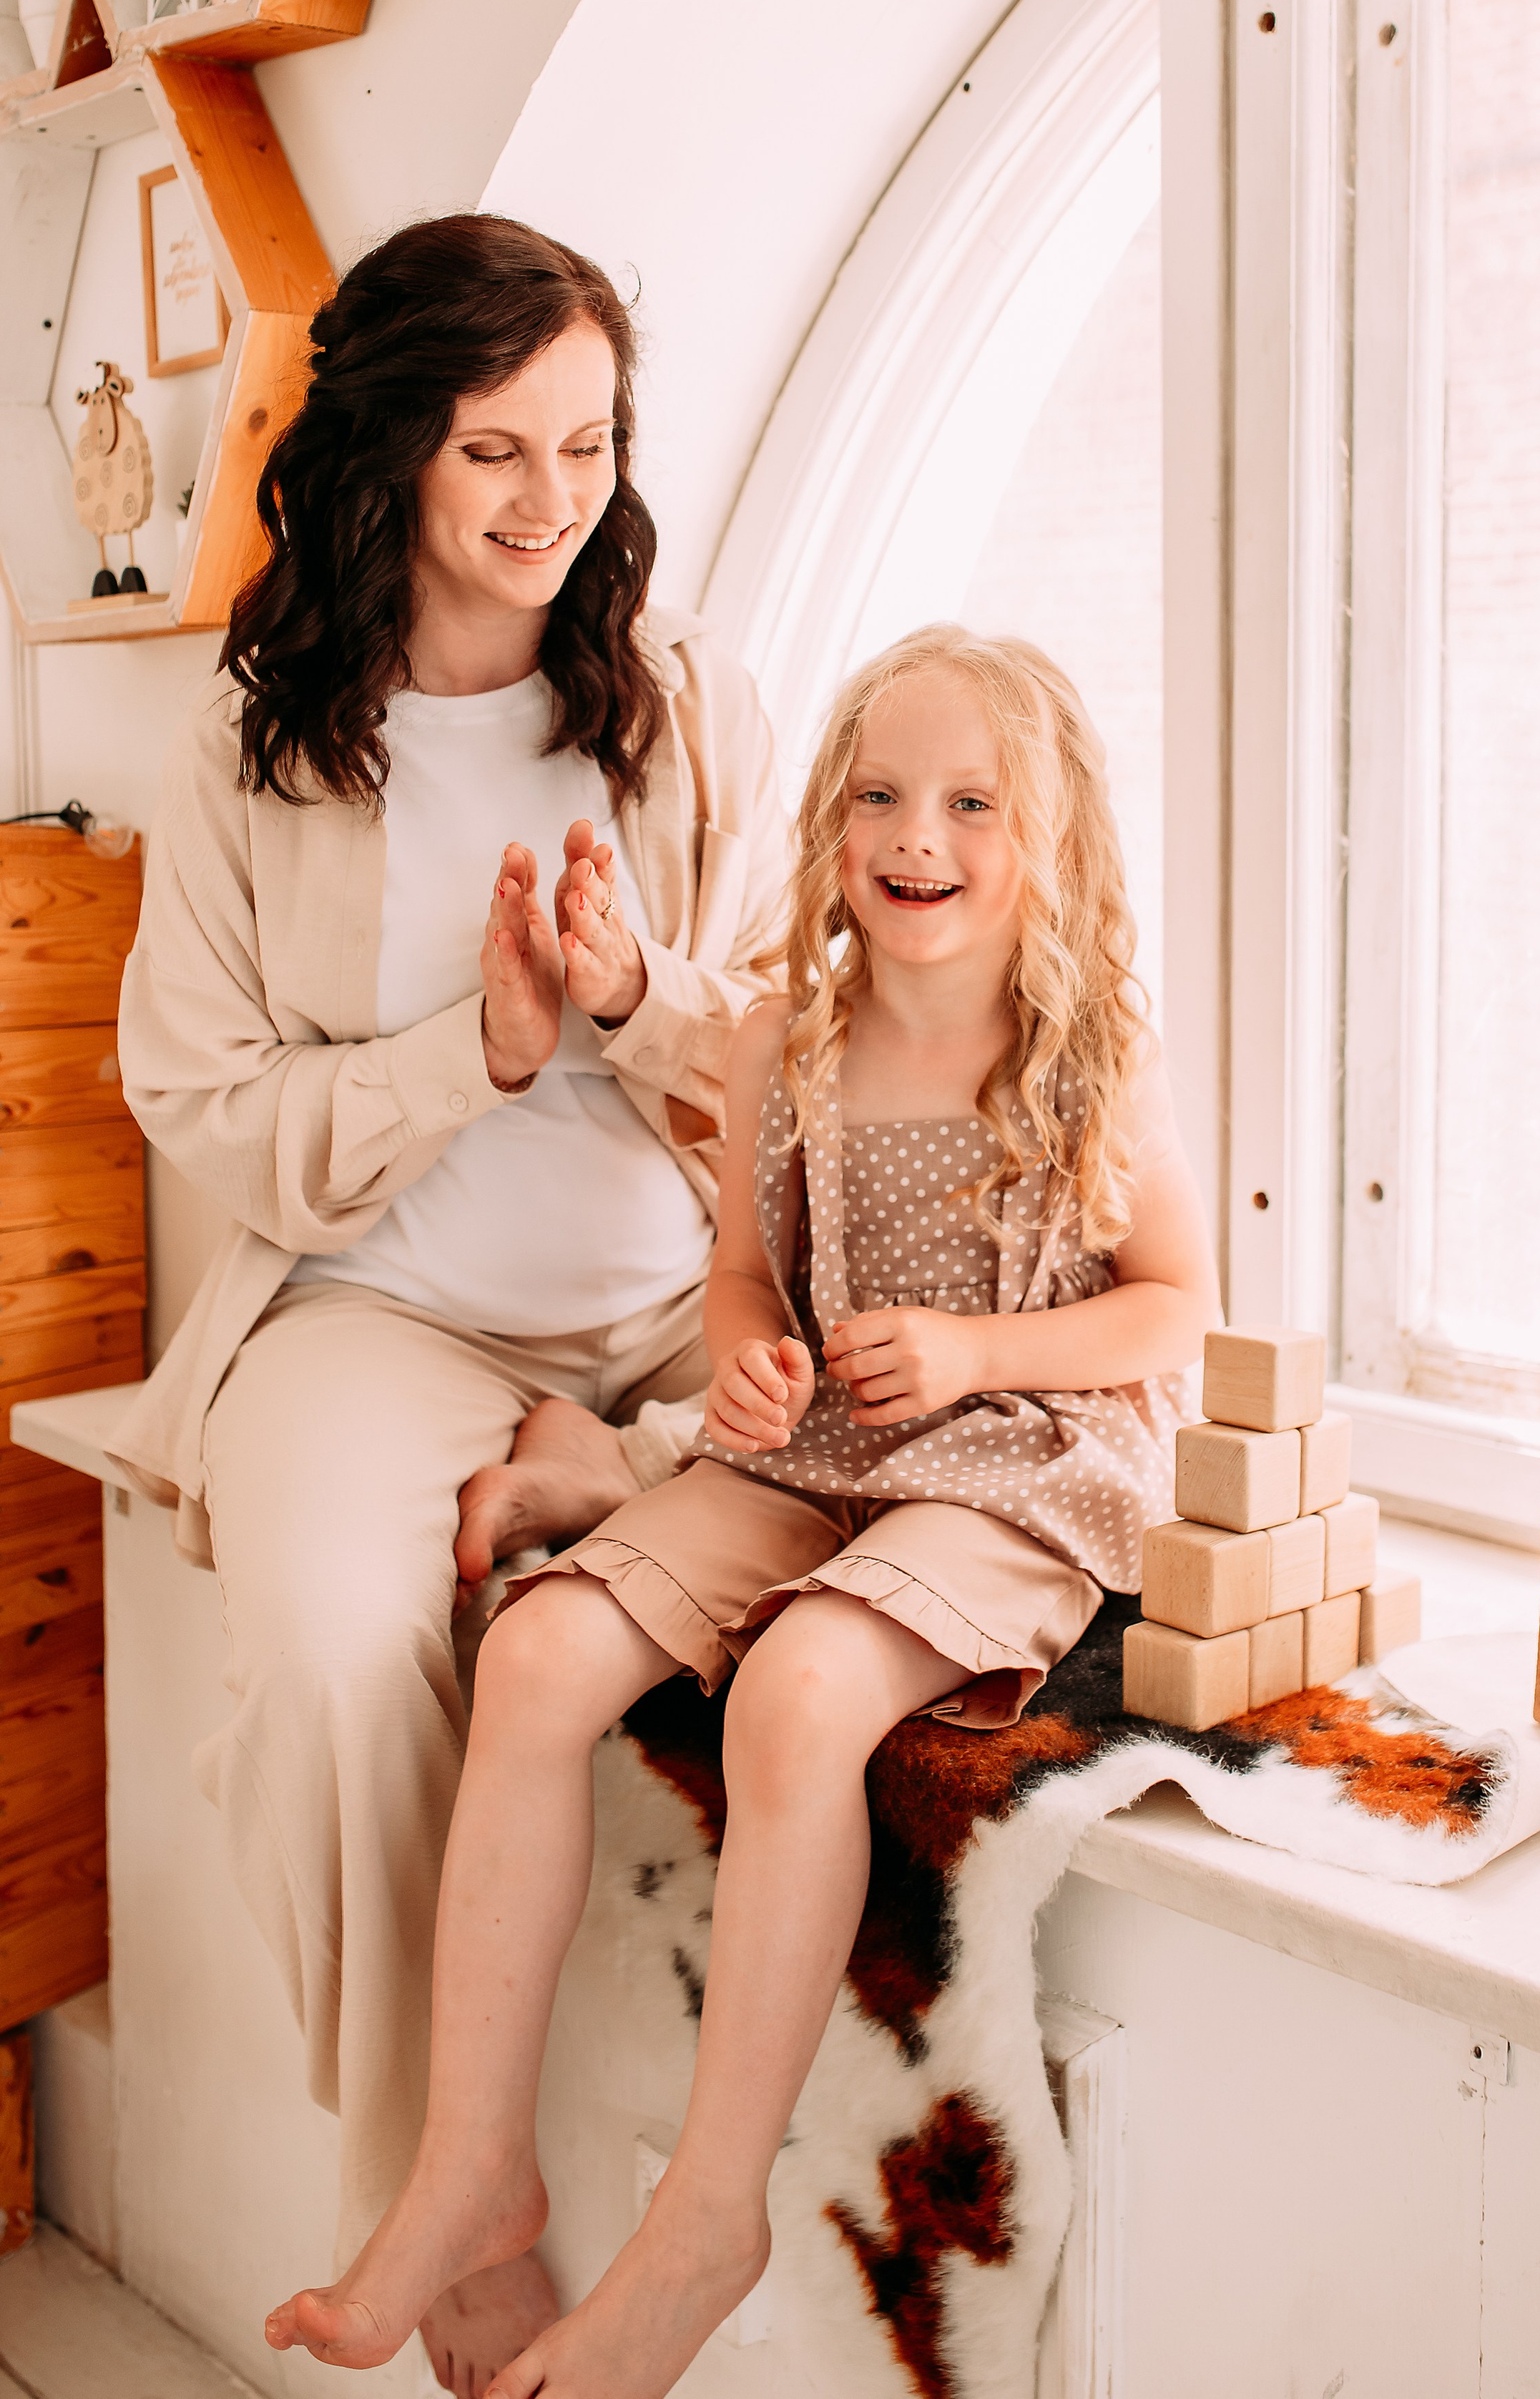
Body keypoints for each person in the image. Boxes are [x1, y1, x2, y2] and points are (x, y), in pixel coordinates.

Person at [263, 623, 1221, 2397]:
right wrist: (757, 1360)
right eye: (877, 793)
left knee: (794, 1697)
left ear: (1052, 842)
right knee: (540, 1652)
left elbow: (1170, 1303)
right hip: (823, 1450)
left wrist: (967, 1348)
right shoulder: (790, 1038)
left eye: (966, 800)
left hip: (1017, 1457)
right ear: (831, 825)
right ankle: (468, 2159)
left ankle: (707, 2214)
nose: (912, 832)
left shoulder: (1091, 1059)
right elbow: (736, 1281)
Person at [112, 215, 787, 2396]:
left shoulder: (685, 705)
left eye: (587, 442)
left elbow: (801, 1046)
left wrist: (624, 995)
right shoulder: (250, 752)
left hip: (674, 1310)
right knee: (323, 1652)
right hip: (377, 1314)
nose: (548, 498)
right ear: (393, 446)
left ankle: (612, 1468)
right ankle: (457, 2193)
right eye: (494, 446)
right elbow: (204, 1101)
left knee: (903, 1474)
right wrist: (469, 1057)